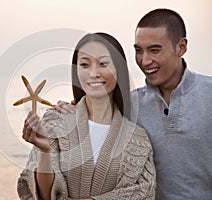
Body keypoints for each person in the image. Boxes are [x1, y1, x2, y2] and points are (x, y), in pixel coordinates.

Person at [54, 8, 212, 200]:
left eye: (154, 50)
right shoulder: (129, 104)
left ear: (181, 47)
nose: (145, 61)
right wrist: (69, 110)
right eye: (139, 51)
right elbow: (93, 120)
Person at [17, 33, 156, 200]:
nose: (93, 73)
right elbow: (42, 196)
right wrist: (45, 151)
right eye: (84, 64)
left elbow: (144, 193)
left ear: (119, 68)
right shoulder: (55, 121)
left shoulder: (138, 139)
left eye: (103, 64)